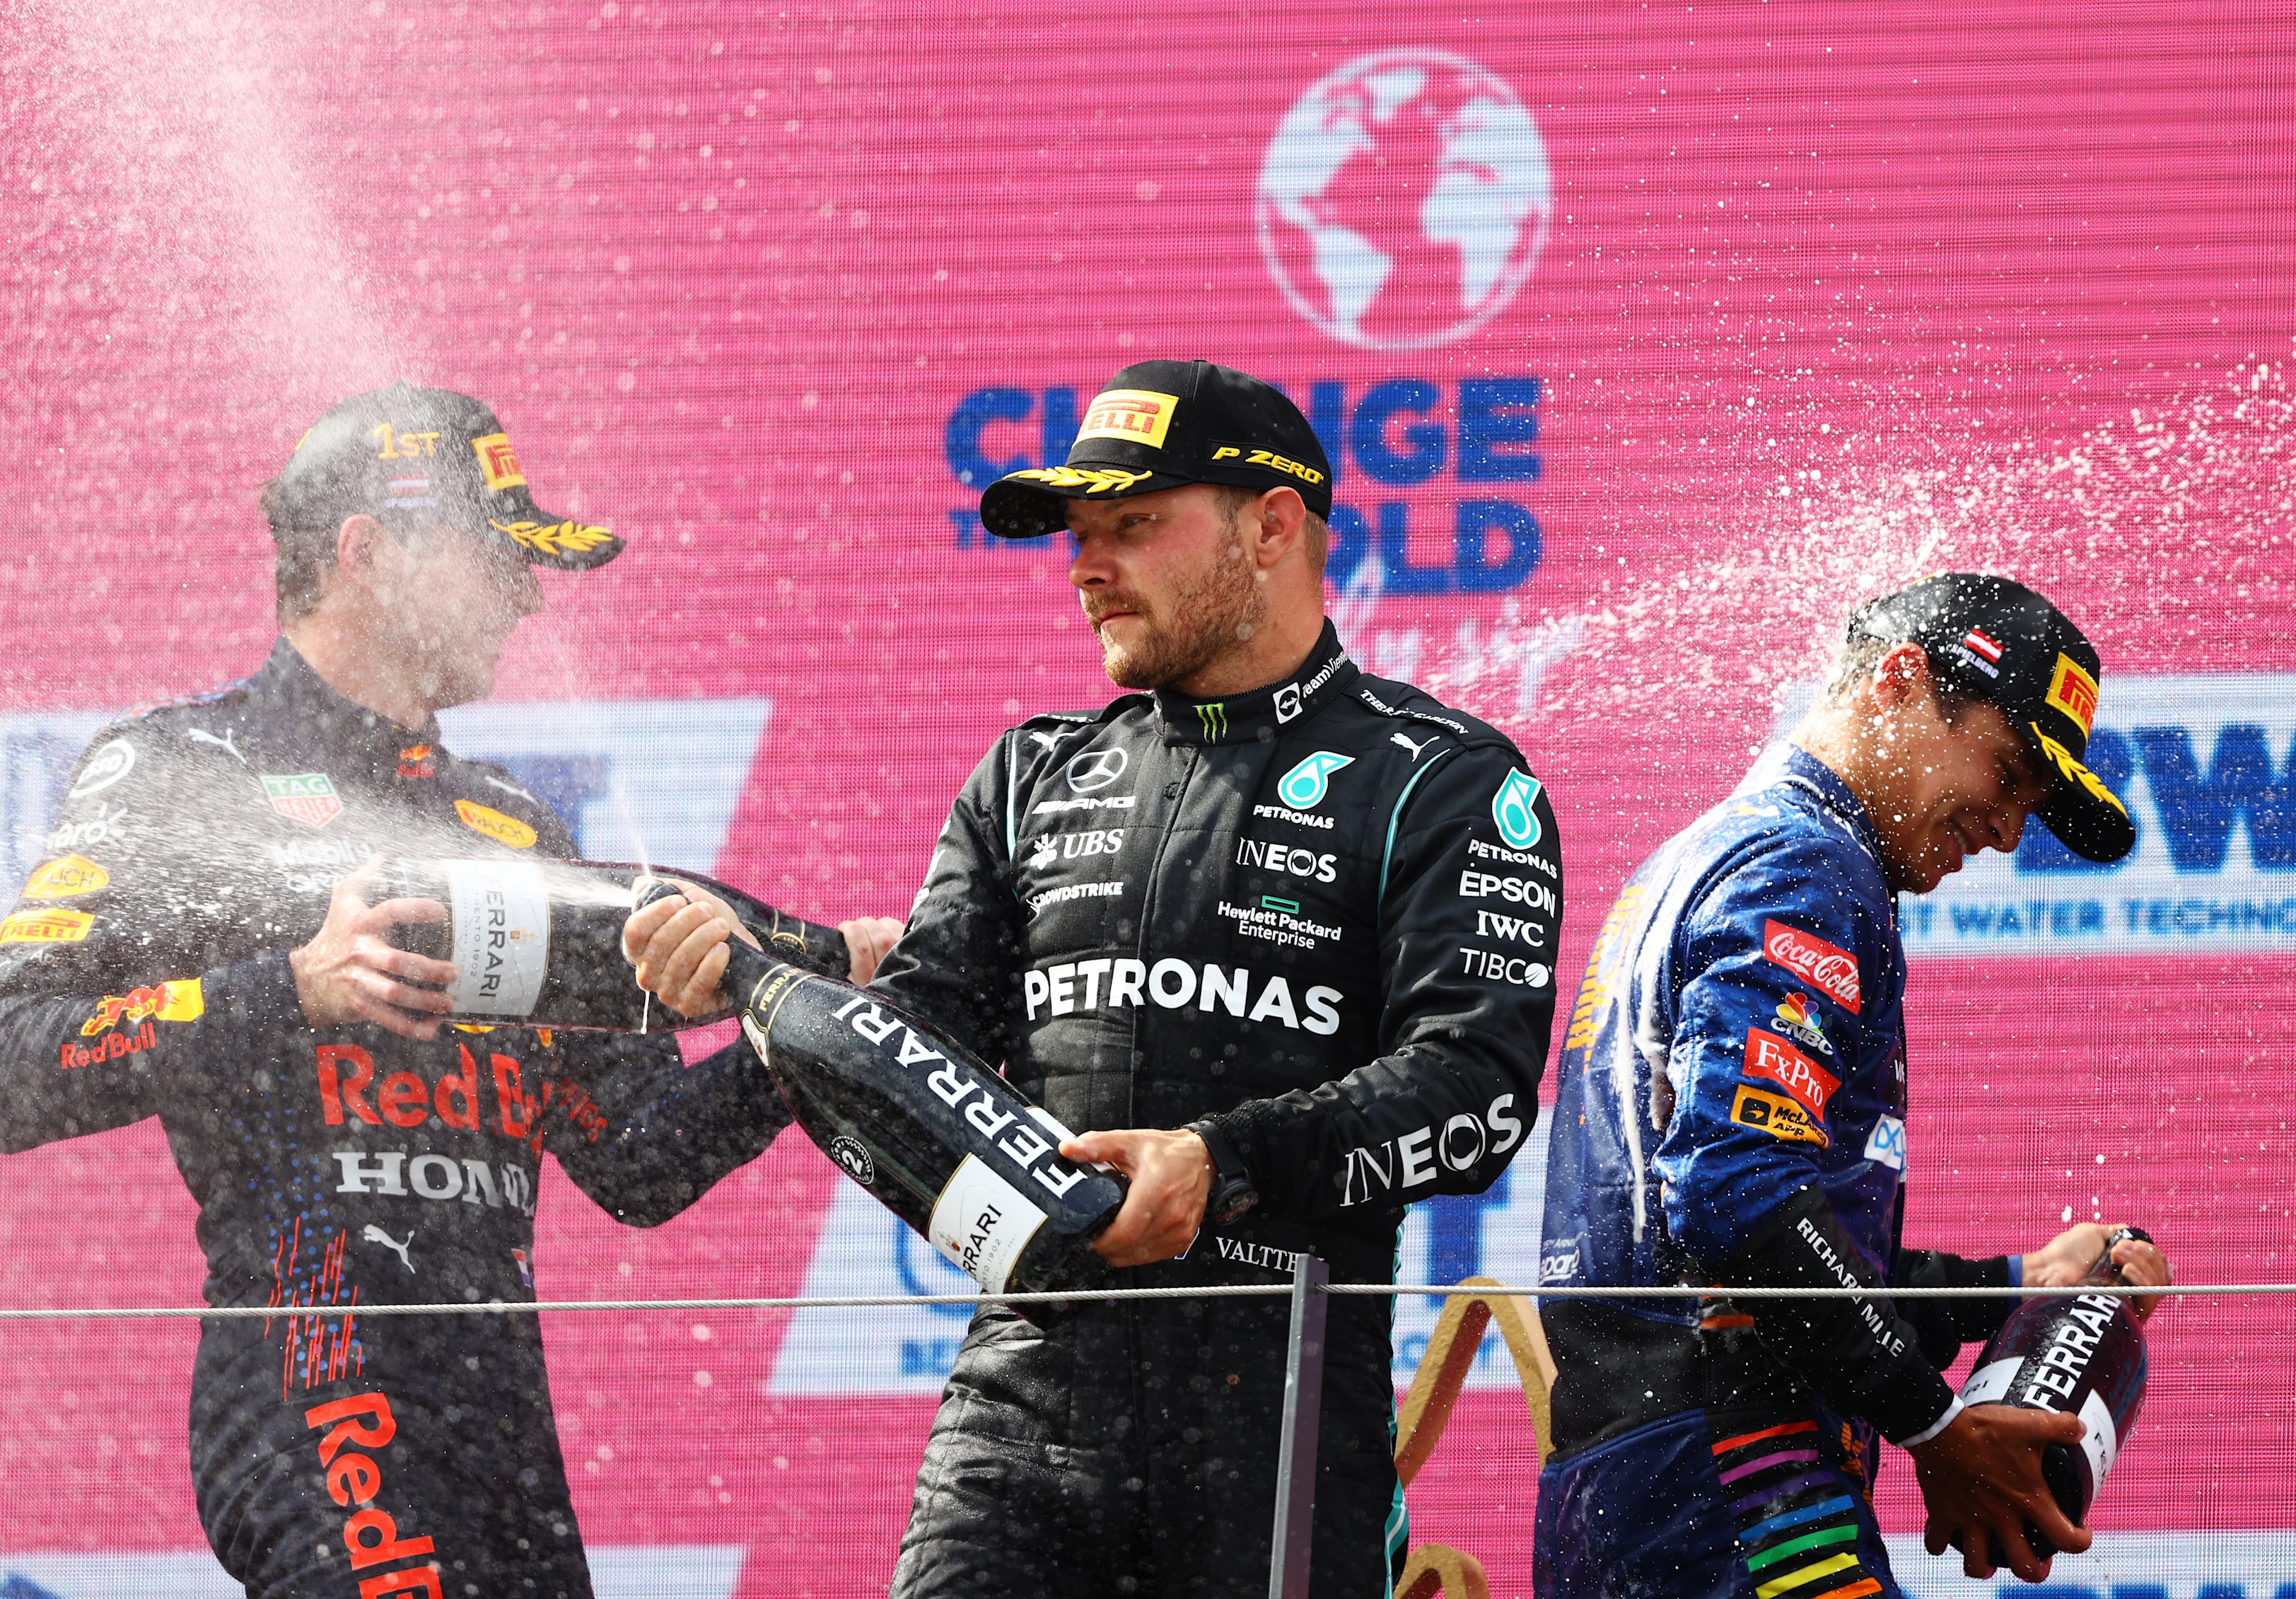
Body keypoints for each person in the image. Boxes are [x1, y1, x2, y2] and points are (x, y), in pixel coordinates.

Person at [628, 359, 1565, 1597]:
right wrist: (756, 986)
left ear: (1271, 527)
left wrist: (1221, 1163)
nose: (1087, 566)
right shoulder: (1028, 777)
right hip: (1022, 1379)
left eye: (1131, 525)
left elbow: (1477, 1092)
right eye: (1080, 535)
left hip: (1276, 1398)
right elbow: (908, 1052)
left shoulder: (1441, 780)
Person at [0, 383, 902, 1598]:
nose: (526, 593)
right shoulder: (180, 770)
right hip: (316, 1396)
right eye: (497, 555)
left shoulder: (511, 823)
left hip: (501, 1434)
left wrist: (816, 1033)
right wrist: (289, 989)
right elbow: (0, 1068)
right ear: (365, 550)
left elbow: (638, 1159)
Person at [1533, 573, 2174, 1599]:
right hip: (1738, 1475)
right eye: (2008, 773)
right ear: (1899, 680)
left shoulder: (1716, 850)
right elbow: (1734, 1201)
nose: (2011, 830)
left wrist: (2016, 1289)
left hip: (1647, 1477)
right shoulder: (1806, 868)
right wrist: (1938, 1425)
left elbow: (1761, 1237)